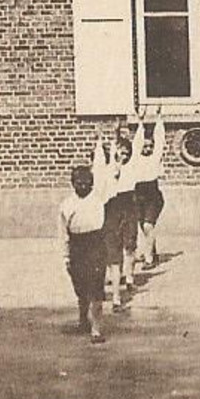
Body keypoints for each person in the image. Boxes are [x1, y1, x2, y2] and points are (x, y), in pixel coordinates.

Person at [60, 162, 109, 344]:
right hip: (77, 246)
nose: (83, 186)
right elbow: (64, 233)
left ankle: (96, 329)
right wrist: (66, 255)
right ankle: (83, 319)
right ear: (73, 184)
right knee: (81, 287)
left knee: (96, 288)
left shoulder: (98, 200)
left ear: (92, 183)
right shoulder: (67, 205)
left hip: (96, 244)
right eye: (79, 183)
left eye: (86, 182)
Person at [95, 128, 136, 311]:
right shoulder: (100, 173)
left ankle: (117, 297)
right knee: (109, 256)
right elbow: (108, 160)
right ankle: (112, 293)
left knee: (115, 256)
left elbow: (115, 161)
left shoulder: (113, 172)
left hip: (116, 211)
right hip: (105, 214)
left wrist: (115, 137)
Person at [132, 110, 167, 268]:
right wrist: (140, 122)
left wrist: (159, 118)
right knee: (143, 226)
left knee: (148, 226)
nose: (147, 149)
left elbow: (160, 139)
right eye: (145, 146)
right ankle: (152, 252)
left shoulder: (155, 158)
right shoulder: (136, 158)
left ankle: (149, 260)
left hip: (152, 195)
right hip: (138, 195)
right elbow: (137, 141)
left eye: (150, 146)